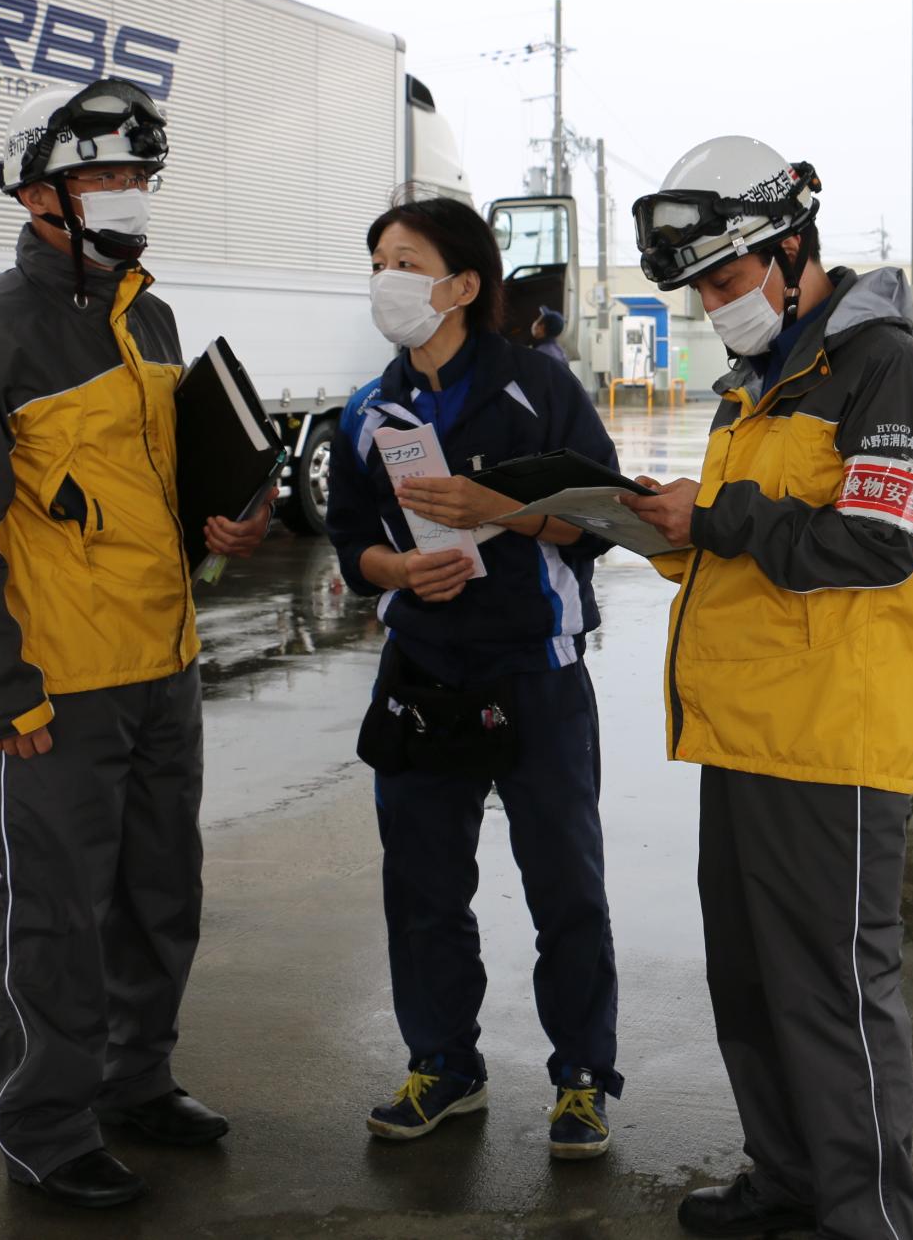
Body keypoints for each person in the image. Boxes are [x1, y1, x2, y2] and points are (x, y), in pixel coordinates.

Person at [0, 78, 270, 1209]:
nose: (130, 198)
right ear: (39, 194)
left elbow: (156, 496)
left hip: (161, 668)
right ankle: (46, 1126)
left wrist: (225, 527)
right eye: (107, 177)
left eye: (139, 177)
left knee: (161, 895)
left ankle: (135, 1080)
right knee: (52, 919)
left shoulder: (149, 317)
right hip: (54, 691)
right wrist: (2, 692)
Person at [623, 137, 913, 1240]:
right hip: (742, 729)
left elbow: (877, 543)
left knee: (828, 1000)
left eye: (725, 279)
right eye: (699, 289)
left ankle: (869, 1218)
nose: (713, 304)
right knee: (751, 986)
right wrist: (643, 525)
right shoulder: (752, 387)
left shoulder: (886, 370)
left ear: (793, 248)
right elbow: (737, 546)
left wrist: (713, 520)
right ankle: (786, 1182)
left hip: (831, 738)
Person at [324, 193, 624, 1160]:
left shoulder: (539, 386)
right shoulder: (370, 411)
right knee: (422, 885)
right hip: (424, 672)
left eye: (404, 261)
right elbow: (350, 543)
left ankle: (581, 1075)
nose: (385, 279)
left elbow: (605, 518)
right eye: (377, 260)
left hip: (535, 670)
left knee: (564, 885)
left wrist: (507, 507)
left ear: (461, 284)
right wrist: (400, 570)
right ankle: (443, 1062)